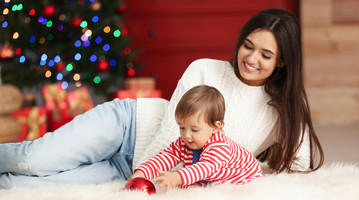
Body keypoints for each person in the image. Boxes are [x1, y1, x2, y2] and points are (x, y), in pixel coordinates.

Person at [0, 8, 324, 189]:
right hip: (128, 126)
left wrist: (250, 170)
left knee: (20, 188)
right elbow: (172, 135)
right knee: (33, 160)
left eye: (266, 55)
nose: (251, 58)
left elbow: (301, 166)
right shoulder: (205, 70)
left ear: (282, 61)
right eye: (248, 45)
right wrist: (147, 182)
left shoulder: (285, 107)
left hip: (133, 169)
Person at [130, 85, 263, 190]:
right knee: (195, 185)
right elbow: (165, 157)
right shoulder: (184, 143)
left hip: (243, 178)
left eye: (194, 129)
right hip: (209, 177)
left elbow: (204, 168)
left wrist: (177, 177)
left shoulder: (220, 147)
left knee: (224, 193)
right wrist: (142, 173)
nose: (186, 135)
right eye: (182, 127)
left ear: (215, 127)